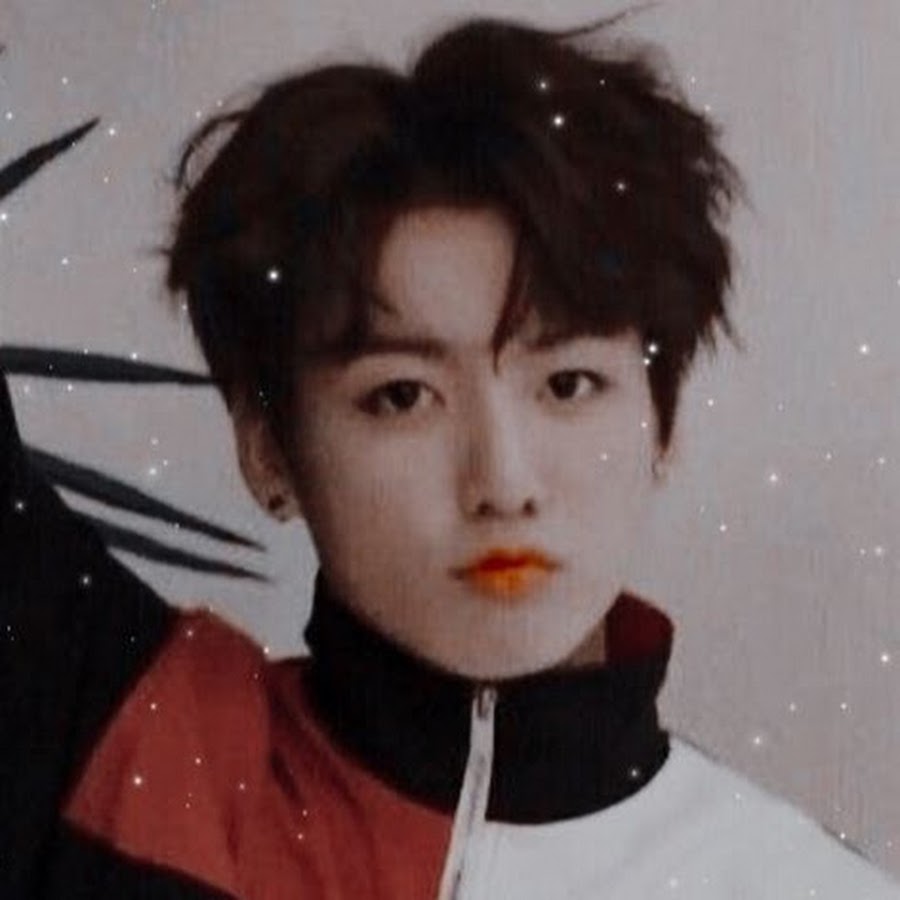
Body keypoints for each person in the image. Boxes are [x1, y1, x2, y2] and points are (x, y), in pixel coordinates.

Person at [1, 15, 897, 899]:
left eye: (569, 384)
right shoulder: (136, 738)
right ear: (268, 448)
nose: (503, 484)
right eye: (402, 396)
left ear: (662, 423)